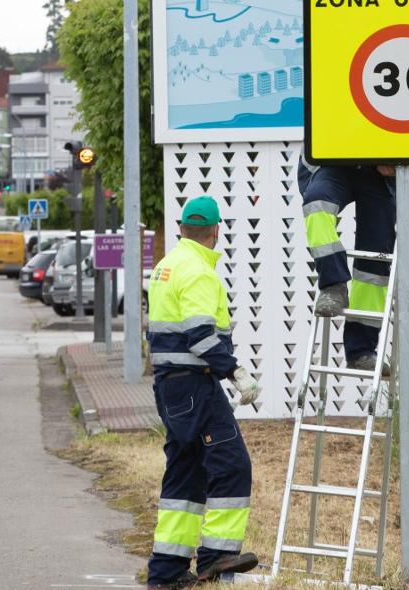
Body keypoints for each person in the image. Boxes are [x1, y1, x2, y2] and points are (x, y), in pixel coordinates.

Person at [145, 195, 262, 588]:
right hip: (196, 385)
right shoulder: (198, 271)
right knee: (231, 466)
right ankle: (217, 557)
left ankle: (167, 571)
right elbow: (200, 336)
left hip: (170, 389)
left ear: (180, 228)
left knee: (184, 476)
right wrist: (237, 372)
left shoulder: (165, 266)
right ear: (215, 231)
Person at [298, 159, 396, 372]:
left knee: (375, 260)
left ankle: (361, 351)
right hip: (331, 165)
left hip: (379, 175)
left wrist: (397, 161)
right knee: (316, 205)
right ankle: (333, 285)